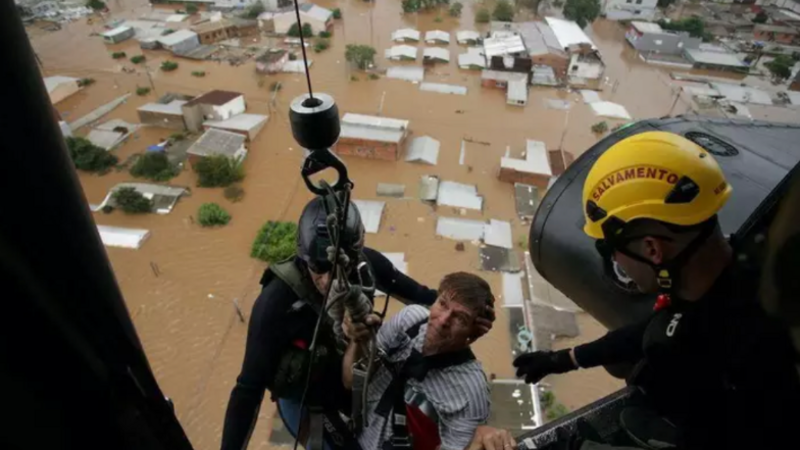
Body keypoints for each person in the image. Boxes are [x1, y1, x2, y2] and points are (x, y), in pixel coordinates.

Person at [513, 132, 800, 449]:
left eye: (611, 250)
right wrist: (564, 359)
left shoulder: (730, 355)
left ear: (652, 249)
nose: (616, 261)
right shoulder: (731, 276)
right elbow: (653, 327)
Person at [221, 197, 494, 450]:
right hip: (308, 401)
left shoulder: (367, 267)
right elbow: (248, 390)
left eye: (341, 267)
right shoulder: (276, 303)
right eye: (319, 267)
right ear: (303, 258)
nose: (329, 280)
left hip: (353, 390)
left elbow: (427, 299)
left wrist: (470, 319)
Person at [342, 272, 516, 450]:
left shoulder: (471, 391)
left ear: (473, 334)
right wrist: (359, 340)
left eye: (460, 318)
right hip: (353, 437)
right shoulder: (409, 321)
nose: (442, 321)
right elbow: (350, 381)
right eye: (442, 304)